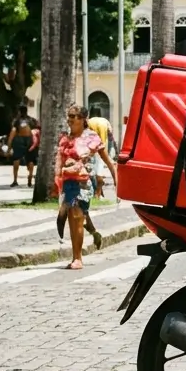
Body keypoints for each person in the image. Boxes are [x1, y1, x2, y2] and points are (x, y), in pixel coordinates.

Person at [55, 105, 117, 270]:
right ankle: (76, 254)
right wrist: (56, 181)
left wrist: (116, 179)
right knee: (72, 219)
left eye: (73, 116)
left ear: (83, 119)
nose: (70, 119)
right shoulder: (66, 138)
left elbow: (107, 160)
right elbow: (59, 161)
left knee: (77, 215)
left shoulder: (92, 138)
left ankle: (78, 258)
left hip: (84, 184)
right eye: (68, 116)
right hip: (69, 183)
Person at [86, 108, 116, 199]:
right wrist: (113, 147)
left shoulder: (88, 122)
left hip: (90, 149)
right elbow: (111, 136)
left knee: (92, 171)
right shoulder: (105, 121)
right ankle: (98, 194)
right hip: (102, 150)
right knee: (99, 171)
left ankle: (97, 193)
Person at [7, 105, 38, 188]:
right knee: (30, 160)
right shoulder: (31, 120)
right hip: (30, 140)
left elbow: (12, 133)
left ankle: (15, 180)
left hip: (19, 140)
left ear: (19, 112)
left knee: (16, 160)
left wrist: (9, 147)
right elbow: (37, 130)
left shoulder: (17, 121)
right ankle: (30, 176)